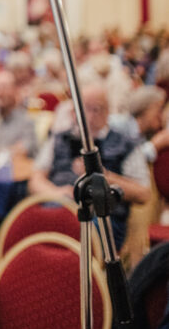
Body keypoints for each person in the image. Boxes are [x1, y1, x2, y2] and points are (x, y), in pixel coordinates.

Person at [29, 81, 150, 248]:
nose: (90, 116)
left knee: (78, 229)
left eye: (97, 109)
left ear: (108, 112)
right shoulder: (60, 139)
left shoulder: (125, 144)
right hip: (58, 208)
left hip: (100, 218)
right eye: (84, 109)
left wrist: (103, 176)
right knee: (28, 223)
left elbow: (143, 193)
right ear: (73, 113)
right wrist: (57, 193)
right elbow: (35, 179)